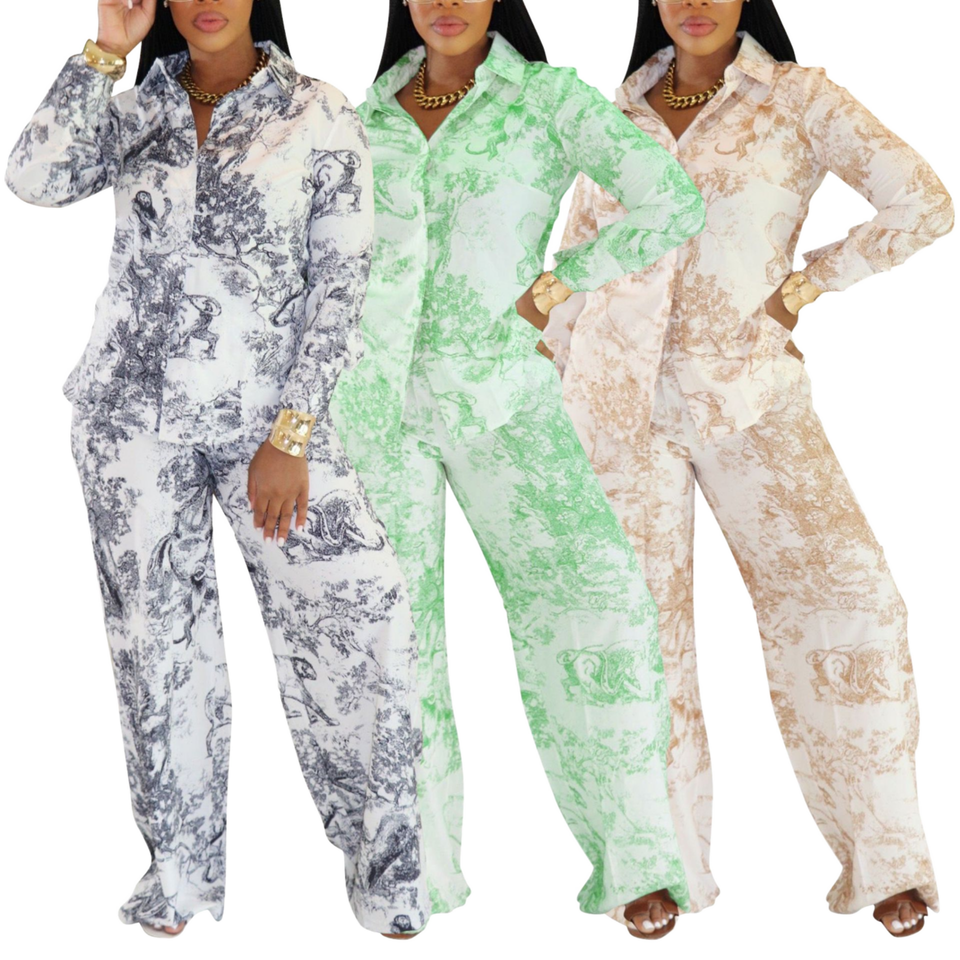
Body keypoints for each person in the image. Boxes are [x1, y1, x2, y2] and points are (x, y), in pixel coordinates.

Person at [6, 0, 429, 938]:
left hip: (266, 426)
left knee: (365, 614)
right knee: (156, 648)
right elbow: (32, 179)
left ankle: (387, 872)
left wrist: (293, 434)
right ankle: (179, 874)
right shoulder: (135, 109)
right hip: (129, 420)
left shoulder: (318, 111)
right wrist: (106, 52)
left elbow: (340, 283)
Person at [546, 0, 952, 938]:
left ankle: (887, 857)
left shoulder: (798, 98)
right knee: (636, 635)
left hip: (749, 394)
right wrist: (546, 367)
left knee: (850, 601)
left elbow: (924, 201)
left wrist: (805, 287)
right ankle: (654, 862)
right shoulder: (615, 113)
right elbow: (577, 258)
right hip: (615, 404)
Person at [330, 0, 705, 938]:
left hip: (502, 394)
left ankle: (637, 860)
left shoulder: (546, 99)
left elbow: (671, 198)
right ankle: (412, 871)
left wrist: (556, 285)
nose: (444, 4)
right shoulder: (360, 119)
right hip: (373, 408)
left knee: (597, 603)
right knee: (393, 641)